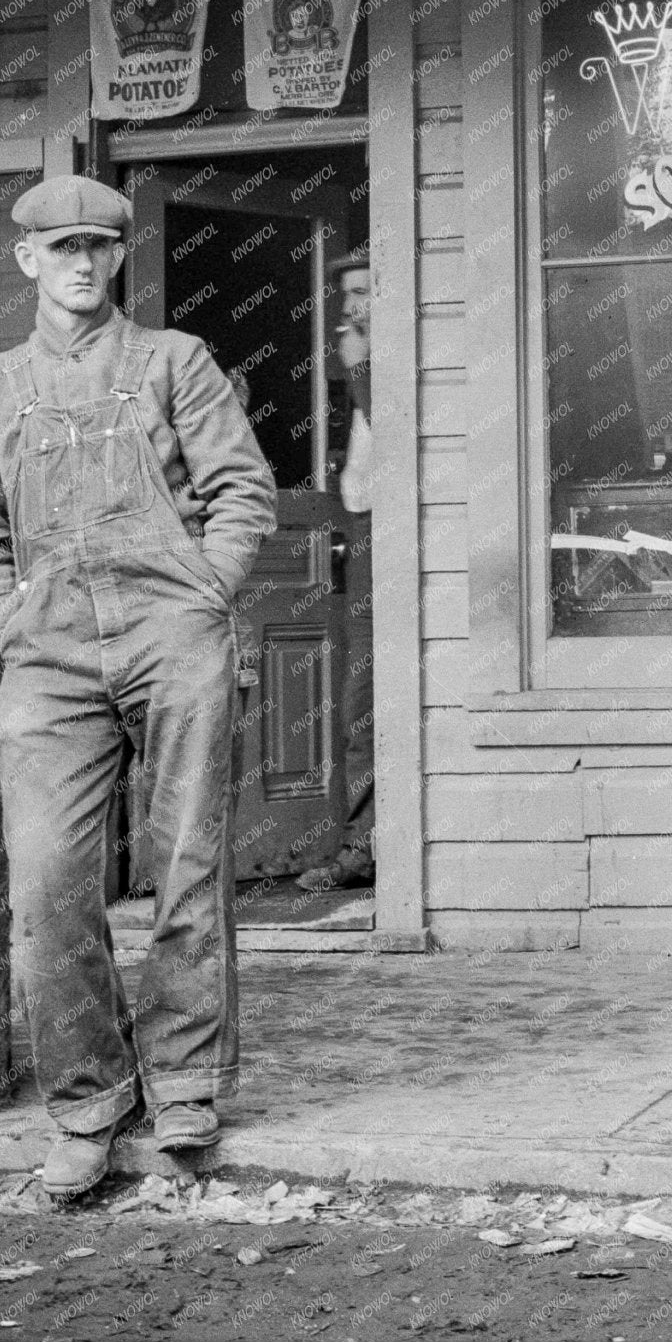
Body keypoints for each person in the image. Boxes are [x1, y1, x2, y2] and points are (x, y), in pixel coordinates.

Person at [0, 176, 276, 1200]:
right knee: (48, 876)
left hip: (168, 632)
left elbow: (243, 488)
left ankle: (182, 1083)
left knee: (187, 857)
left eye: (98, 245)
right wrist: (14, 621)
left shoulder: (173, 361)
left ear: (117, 255)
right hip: (50, 657)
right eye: (62, 249)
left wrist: (201, 591)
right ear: (28, 261)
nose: (82, 264)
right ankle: (89, 1100)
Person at [297, 256, 376, 892]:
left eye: (365, 292)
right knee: (357, 705)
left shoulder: (377, 366)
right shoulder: (354, 368)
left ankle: (365, 850)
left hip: (388, 553)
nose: (351, 307)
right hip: (358, 547)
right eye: (346, 293)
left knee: (367, 705)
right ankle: (363, 846)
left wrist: (359, 364)